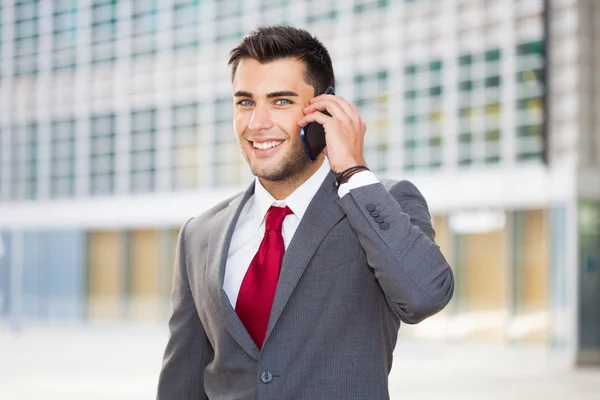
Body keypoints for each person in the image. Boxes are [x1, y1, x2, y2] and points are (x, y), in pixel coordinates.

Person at [157, 25, 454, 400]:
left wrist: (353, 171)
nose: (256, 123)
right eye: (245, 102)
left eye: (281, 101)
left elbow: (426, 296)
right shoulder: (199, 235)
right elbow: (182, 381)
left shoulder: (382, 203)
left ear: (324, 111)